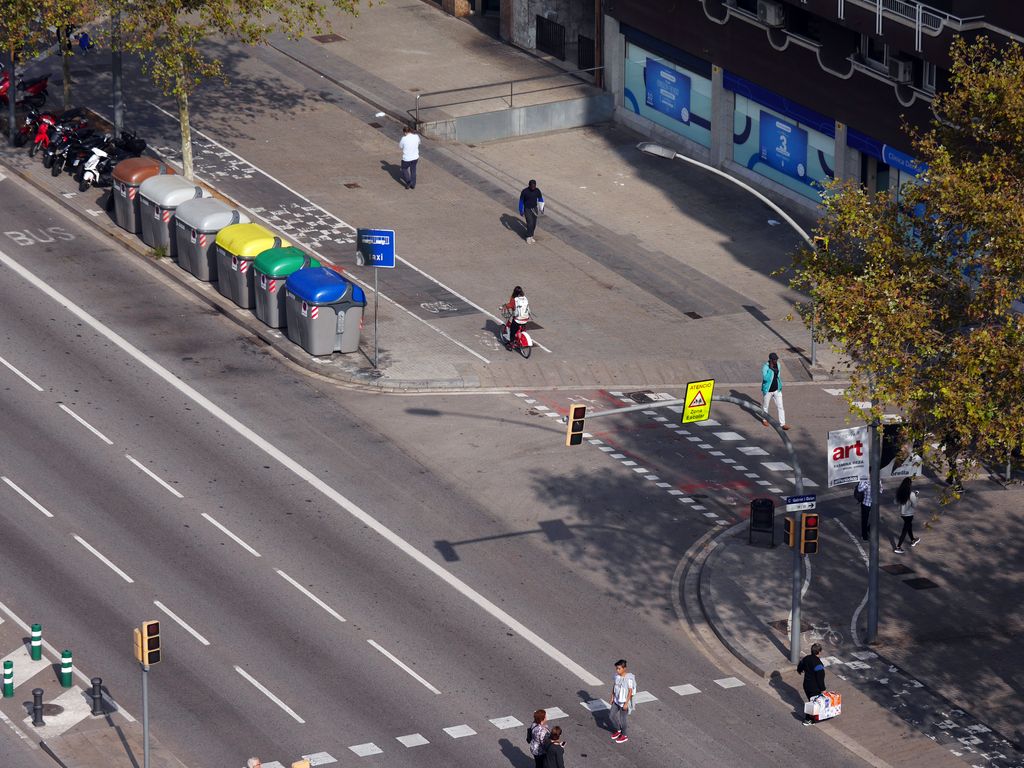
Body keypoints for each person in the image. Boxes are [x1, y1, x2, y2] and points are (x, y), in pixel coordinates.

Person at [797, 643, 826, 725]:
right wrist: (823, 689)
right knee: (813, 703)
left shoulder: (806, 658)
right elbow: (820, 679)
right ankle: (808, 719)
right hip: (814, 688)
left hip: (806, 684)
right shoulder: (818, 665)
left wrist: (800, 670)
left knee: (811, 701)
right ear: (819, 652)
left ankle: (812, 718)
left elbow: (800, 665)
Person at [608, 659, 636, 744]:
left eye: (619, 668)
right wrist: (612, 697)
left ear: (624, 668)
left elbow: (630, 691)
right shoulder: (617, 676)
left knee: (622, 720)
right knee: (611, 716)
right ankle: (618, 730)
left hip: (624, 703)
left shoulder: (629, 679)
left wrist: (626, 703)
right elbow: (614, 685)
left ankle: (624, 735)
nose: (617, 670)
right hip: (617, 701)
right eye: (616, 668)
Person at [760, 352, 789, 430]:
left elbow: (778, 376)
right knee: (766, 406)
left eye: (776, 359)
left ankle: (783, 424)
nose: (776, 360)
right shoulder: (765, 367)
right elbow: (765, 379)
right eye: (774, 359)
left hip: (777, 389)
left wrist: (780, 386)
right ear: (770, 360)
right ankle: (764, 420)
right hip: (768, 390)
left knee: (780, 406)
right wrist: (770, 369)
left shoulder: (778, 365)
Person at [893, 476, 921, 554]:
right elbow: (914, 505)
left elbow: (895, 502)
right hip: (909, 514)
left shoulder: (899, 492)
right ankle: (898, 547)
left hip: (902, 514)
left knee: (909, 526)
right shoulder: (911, 494)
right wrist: (916, 496)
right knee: (905, 530)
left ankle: (913, 540)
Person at [518, 179, 545, 243]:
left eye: (534, 186)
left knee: (534, 224)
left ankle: (531, 236)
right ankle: (528, 237)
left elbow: (540, 199)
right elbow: (521, 201)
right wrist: (521, 210)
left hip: (534, 208)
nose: (533, 187)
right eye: (532, 186)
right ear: (529, 185)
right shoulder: (525, 192)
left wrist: (542, 208)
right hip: (527, 209)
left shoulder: (537, 191)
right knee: (530, 223)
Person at [398, 125, 420, 190]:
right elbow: (419, 143)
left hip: (407, 158)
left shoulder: (403, 138)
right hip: (415, 157)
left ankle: (408, 181)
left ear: (405, 132)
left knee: (404, 168)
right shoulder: (416, 136)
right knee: (413, 170)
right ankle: (413, 184)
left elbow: (400, 146)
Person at [856, 477, 872, 541]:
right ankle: (864, 536)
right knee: (865, 520)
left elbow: (881, 490)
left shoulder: (877, 479)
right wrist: (867, 484)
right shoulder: (864, 480)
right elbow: (859, 489)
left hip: (874, 504)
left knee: (875, 519)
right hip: (865, 503)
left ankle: (868, 529)